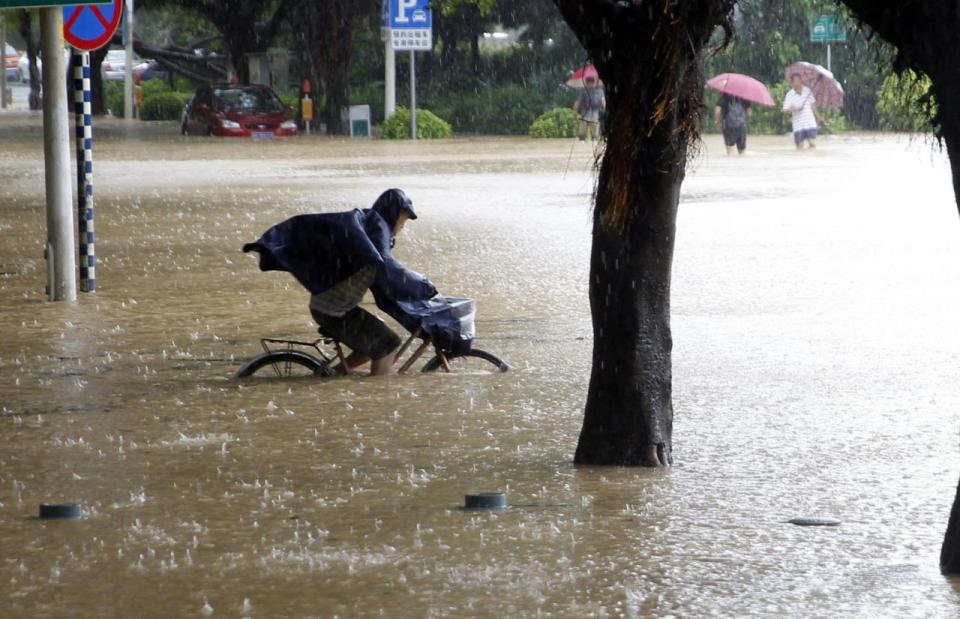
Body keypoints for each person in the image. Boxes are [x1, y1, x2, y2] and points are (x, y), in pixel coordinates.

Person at [243, 189, 437, 376]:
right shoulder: (378, 230)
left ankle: (330, 376)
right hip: (334, 311)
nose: (404, 223)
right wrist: (424, 287)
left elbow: (382, 278)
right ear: (394, 213)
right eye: (404, 216)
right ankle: (379, 397)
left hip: (330, 307)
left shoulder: (372, 228)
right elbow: (389, 268)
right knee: (389, 344)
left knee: (370, 344)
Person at [782, 73, 825, 150]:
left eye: (799, 80)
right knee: (799, 147)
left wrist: (818, 117)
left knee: (812, 144)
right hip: (798, 125)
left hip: (810, 122)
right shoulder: (789, 95)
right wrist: (796, 109)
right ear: (792, 83)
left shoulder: (807, 91)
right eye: (796, 81)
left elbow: (813, 106)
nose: (799, 82)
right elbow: (785, 110)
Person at [573, 75, 606, 141]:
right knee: (593, 136)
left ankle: (584, 142)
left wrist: (575, 113)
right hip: (592, 115)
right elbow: (603, 102)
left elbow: (577, 103)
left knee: (583, 136)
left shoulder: (583, 91)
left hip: (587, 115)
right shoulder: (599, 90)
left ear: (586, 82)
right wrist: (604, 111)